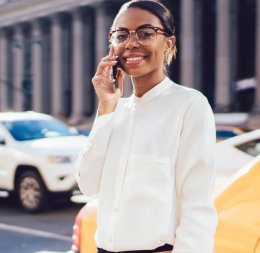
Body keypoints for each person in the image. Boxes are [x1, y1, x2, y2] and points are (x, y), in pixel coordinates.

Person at [75, 1, 217, 253]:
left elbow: (197, 204)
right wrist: (105, 109)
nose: (131, 43)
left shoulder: (189, 105)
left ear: (169, 43)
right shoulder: (114, 111)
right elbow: (88, 185)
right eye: (121, 35)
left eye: (145, 33)